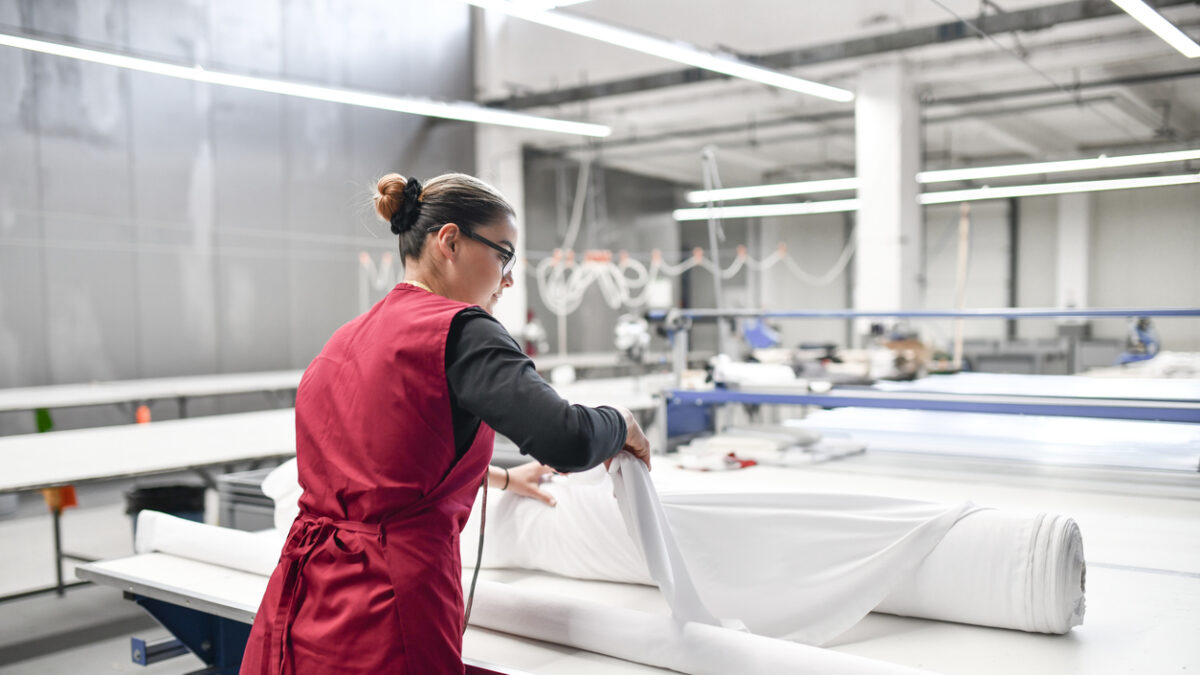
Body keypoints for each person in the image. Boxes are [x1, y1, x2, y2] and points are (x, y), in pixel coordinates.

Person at [239, 172, 652, 674]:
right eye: (504, 254)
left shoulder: (344, 340)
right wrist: (622, 422)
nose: (508, 278)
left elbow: (388, 460)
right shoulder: (463, 331)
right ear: (450, 241)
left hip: (304, 596)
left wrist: (499, 478)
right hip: (386, 607)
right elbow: (566, 439)